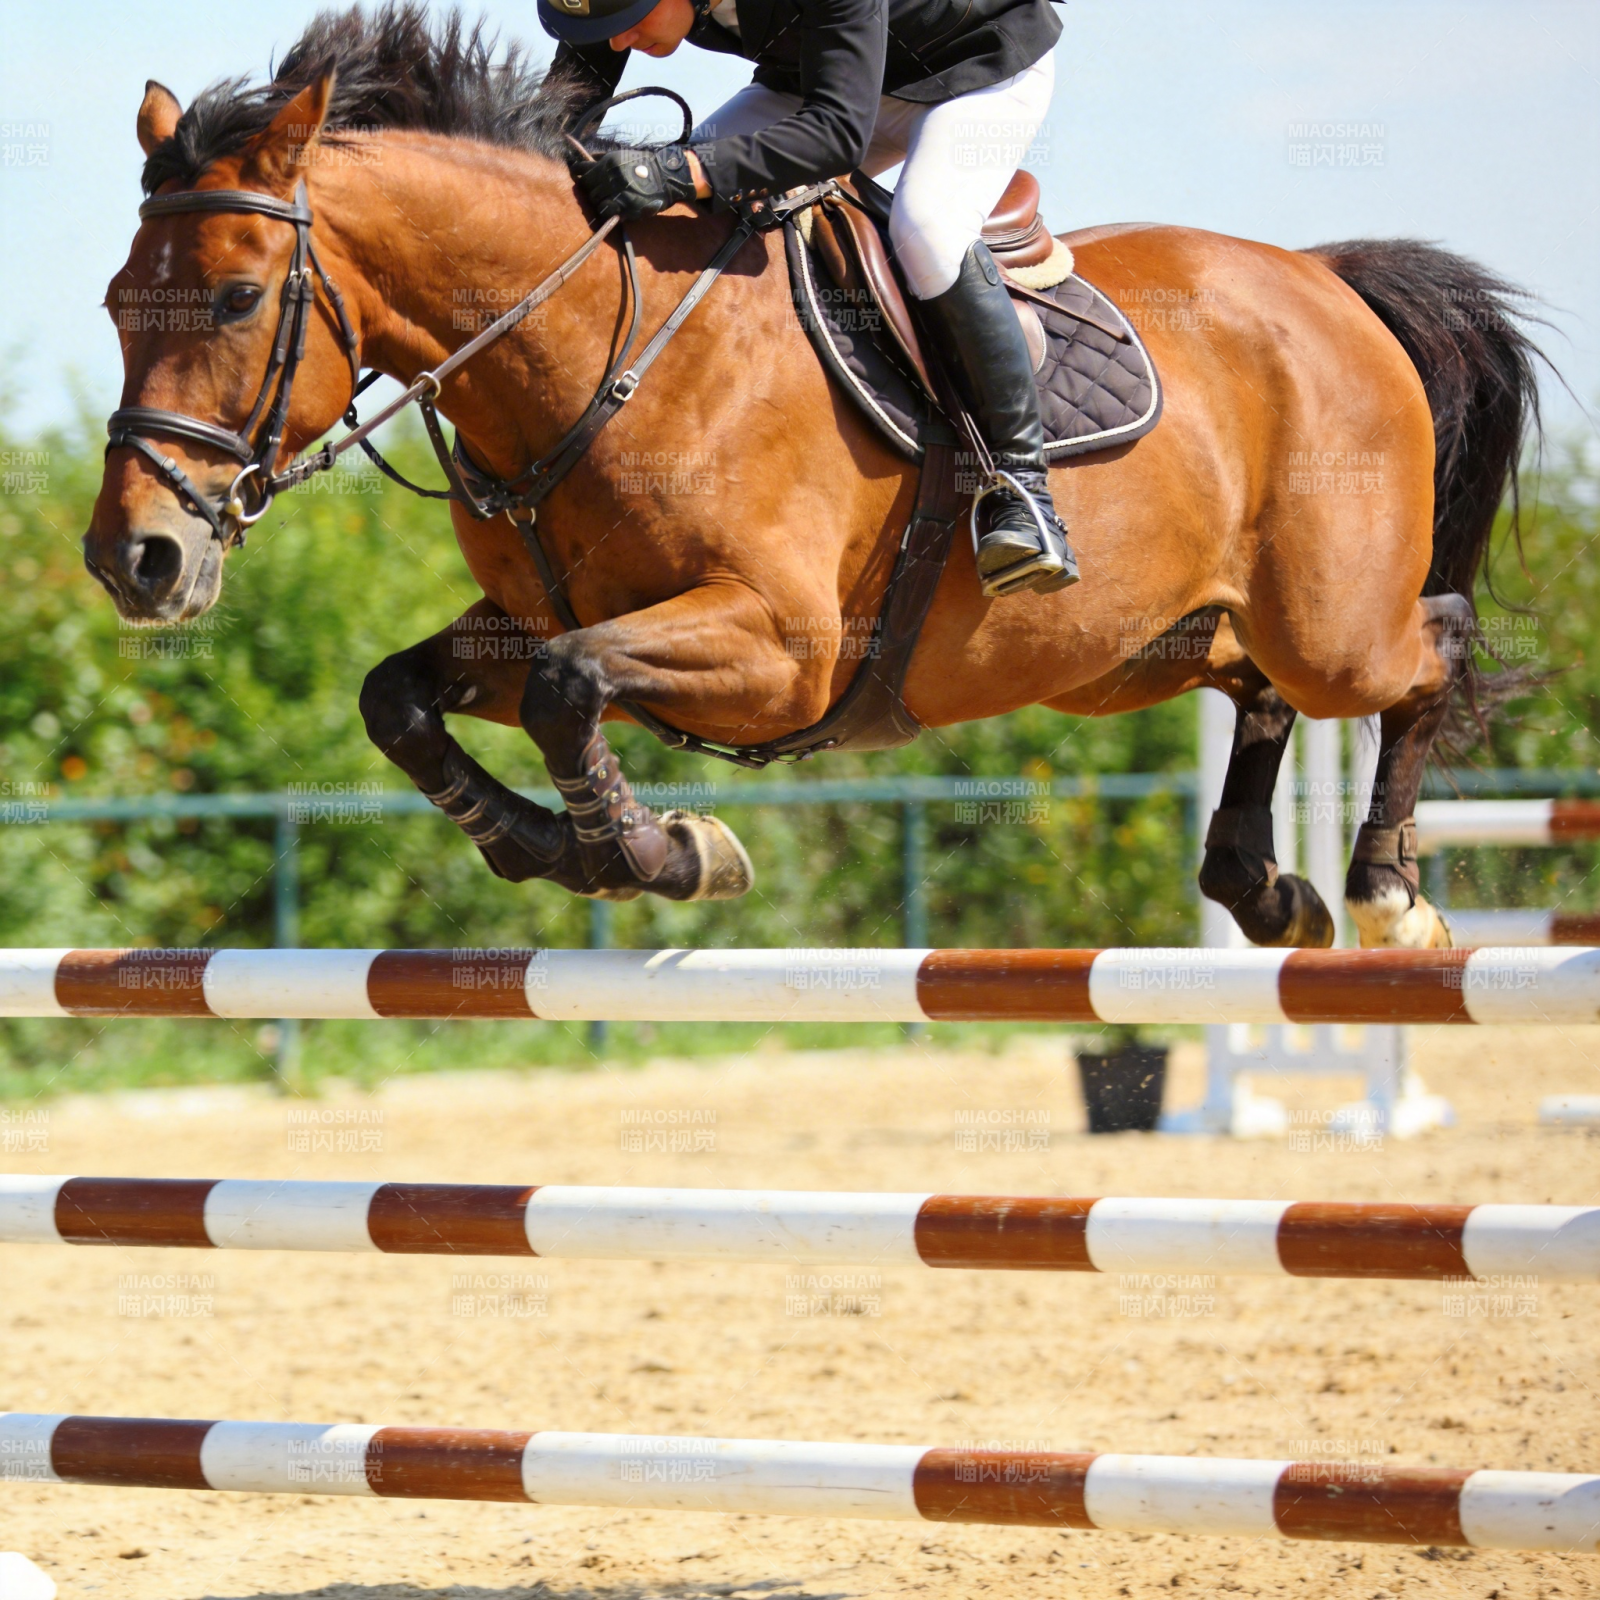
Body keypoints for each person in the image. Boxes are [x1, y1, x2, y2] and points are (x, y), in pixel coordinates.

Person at [539, 0, 1078, 597]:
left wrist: (680, 168)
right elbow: (562, 114)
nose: (616, 42)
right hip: (825, 77)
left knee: (928, 231)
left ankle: (1022, 488)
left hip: (972, 68)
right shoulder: (618, 8)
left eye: (628, 20)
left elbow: (839, 135)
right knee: (678, 211)